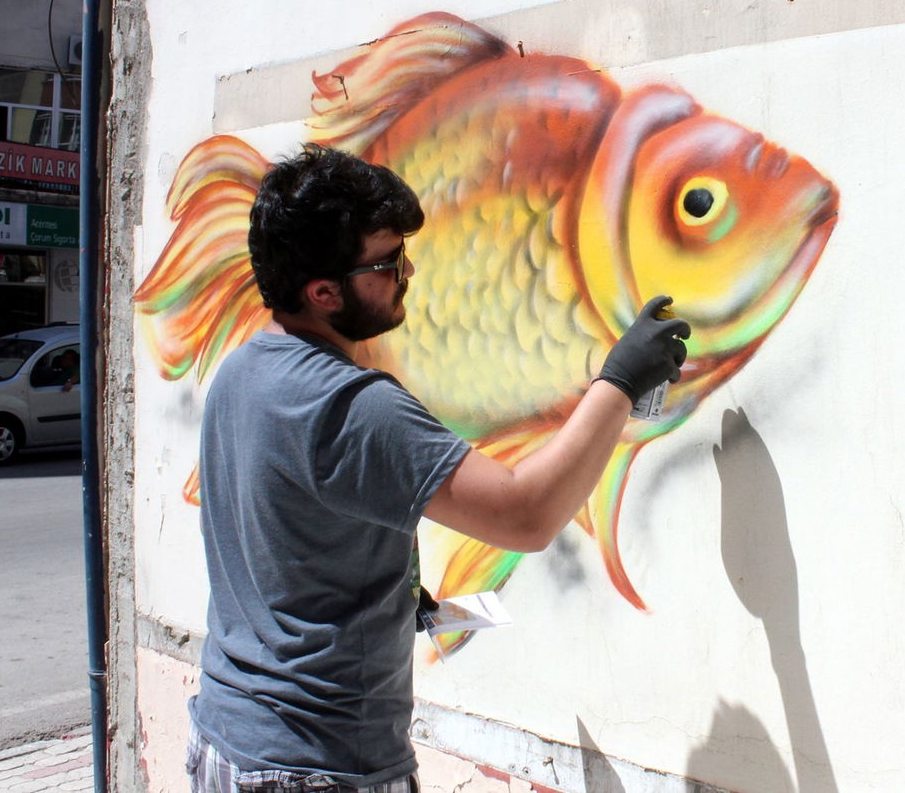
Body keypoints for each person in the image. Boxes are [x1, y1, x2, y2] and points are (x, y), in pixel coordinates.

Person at [186, 143, 690, 793]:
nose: (408, 271)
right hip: (317, 768)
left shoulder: (242, 371)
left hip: (226, 740)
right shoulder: (356, 405)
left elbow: (282, 524)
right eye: (388, 262)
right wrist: (620, 381)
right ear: (322, 292)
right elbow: (526, 512)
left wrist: (382, 586)